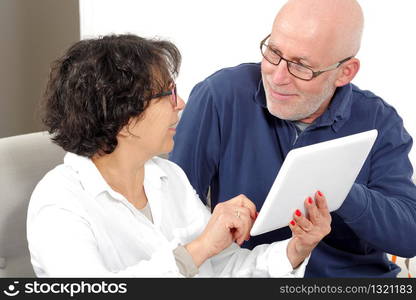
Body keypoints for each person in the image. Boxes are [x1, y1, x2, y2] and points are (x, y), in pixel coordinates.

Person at [26, 34, 331, 277]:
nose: (181, 103)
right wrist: (196, 251)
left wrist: (296, 248)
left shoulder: (167, 177)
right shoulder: (59, 203)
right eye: (167, 94)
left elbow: (223, 267)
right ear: (123, 114)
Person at [170, 0, 416, 277]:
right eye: (274, 52)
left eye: (301, 66)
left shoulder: (379, 120)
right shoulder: (221, 95)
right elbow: (170, 209)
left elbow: (409, 236)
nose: (277, 77)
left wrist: (340, 188)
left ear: (345, 72)